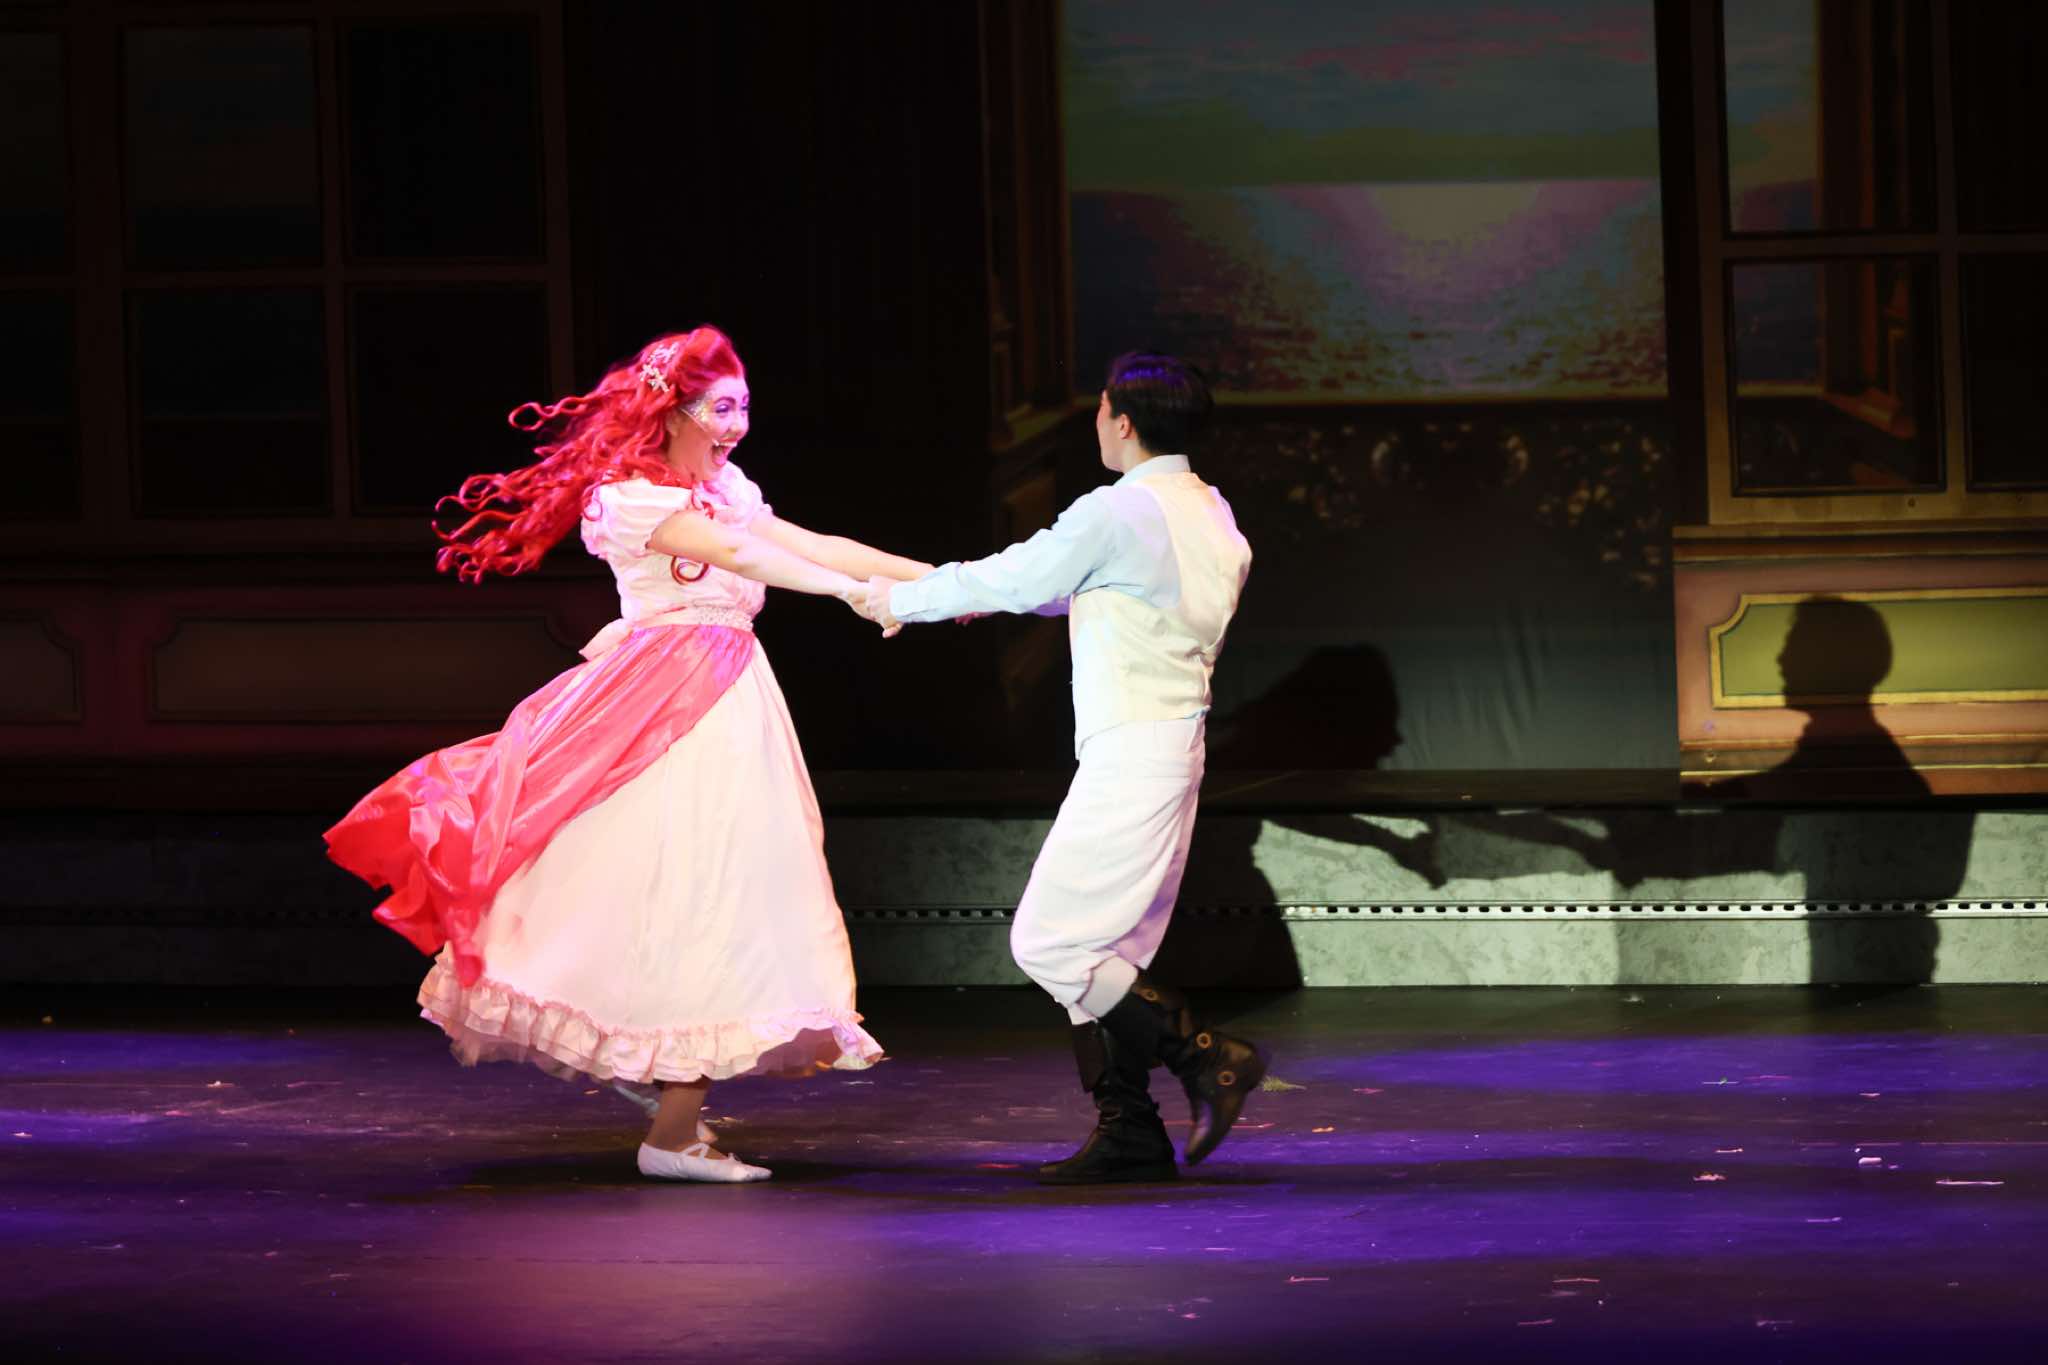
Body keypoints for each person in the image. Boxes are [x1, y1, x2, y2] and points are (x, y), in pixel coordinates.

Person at [326, 327, 927, 1183]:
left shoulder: (724, 487)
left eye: (745, 408)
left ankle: (671, 1115)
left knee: (719, 892)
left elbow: (807, 543)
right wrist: (857, 594)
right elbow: (739, 554)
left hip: (726, 697)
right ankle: (671, 1126)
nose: (737, 425)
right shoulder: (631, 498)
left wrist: (936, 580)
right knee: (677, 892)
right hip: (658, 704)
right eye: (721, 407)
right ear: (673, 410)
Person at [866, 351, 1265, 1184]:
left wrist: (900, 600)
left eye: (1102, 411)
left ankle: (1207, 1055)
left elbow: (1028, 572)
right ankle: (1130, 1131)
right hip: (1167, 744)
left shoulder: (1118, 509)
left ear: (1123, 420)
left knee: (1050, 942)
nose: (1097, 425)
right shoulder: (1208, 509)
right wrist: (973, 596)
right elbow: (1078, 588)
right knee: (1103, 955)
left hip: (1135, 749)